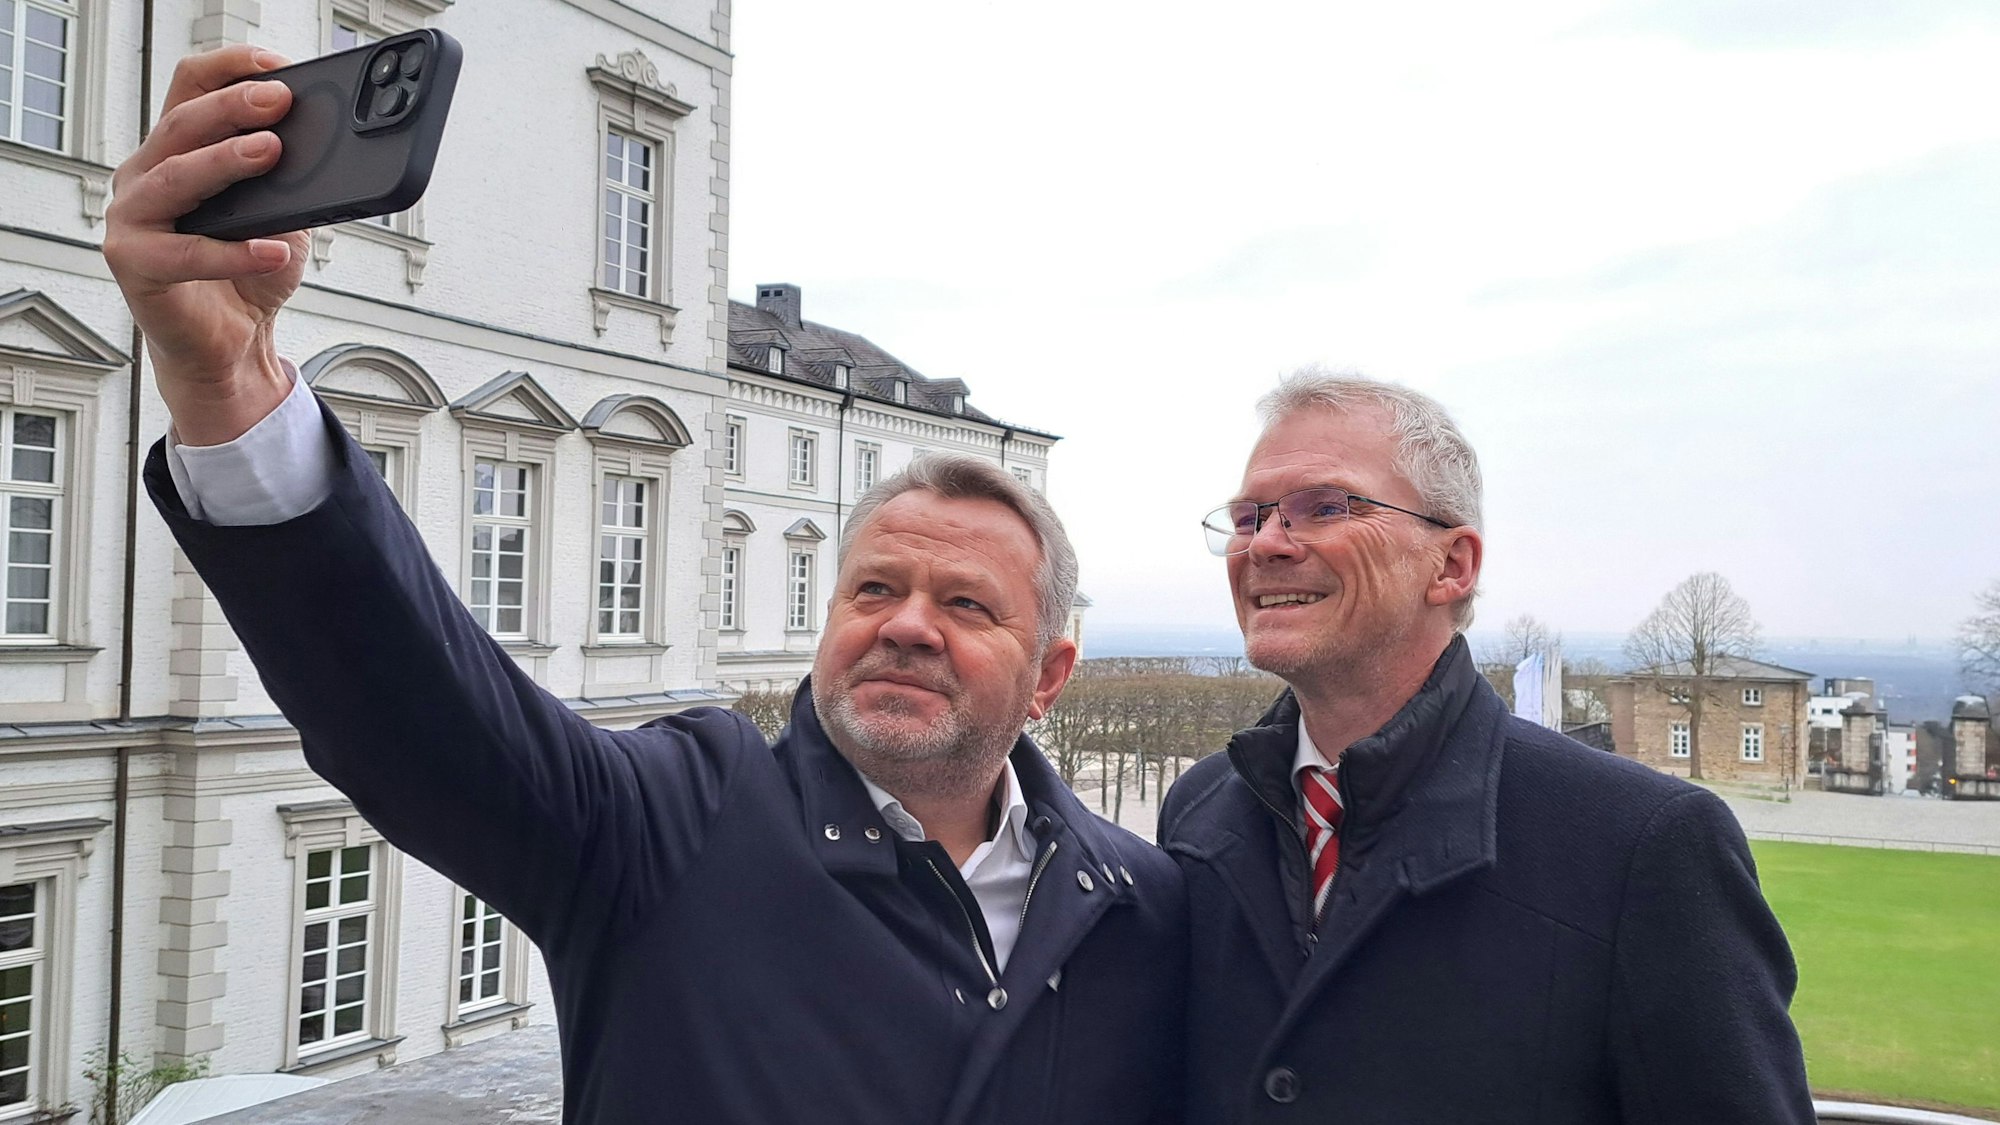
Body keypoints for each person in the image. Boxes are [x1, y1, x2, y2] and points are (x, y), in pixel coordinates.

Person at [106, 45, 1183, 1125]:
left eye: (963, 604)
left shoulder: (1140, 903)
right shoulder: (675, 822)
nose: (905, 625)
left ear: (1050, 673)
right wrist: (228, 384)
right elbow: (417, 711)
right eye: (872, 591)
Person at [1159, 368, 1813, 1124]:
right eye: (1248, 517)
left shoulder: (1643, 846)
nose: (1266, 543)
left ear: (1452, 564)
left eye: (1324, 507)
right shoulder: (1201, 814)